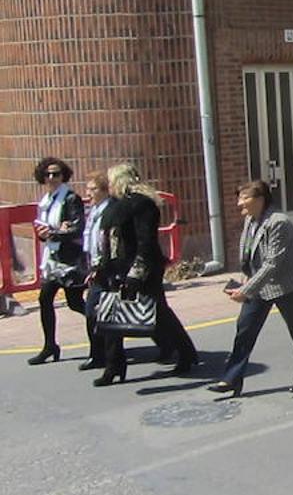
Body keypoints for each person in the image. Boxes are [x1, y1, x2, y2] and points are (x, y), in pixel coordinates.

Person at [207, 181, 293, 398]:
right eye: (239, 197)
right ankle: (231, 379)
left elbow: (272, 263)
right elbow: (249, 255)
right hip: (259, 285)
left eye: (244, 198)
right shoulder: (251, 219)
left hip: (287, 285)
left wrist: (246, 290)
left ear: (260, 199)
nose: (239, 203)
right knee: (245, 329)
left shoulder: (279, 223)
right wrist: (244, 283)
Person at [92, 164, 198, 385]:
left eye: (111, 181)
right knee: (111, 314)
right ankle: (114, 366)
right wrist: (101, 267)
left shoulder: (142, 204)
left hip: (142, 267)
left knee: (159, 312)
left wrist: (136, 274)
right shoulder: (114, 205)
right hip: (115, 267)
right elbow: (108, 240)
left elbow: (146, 242)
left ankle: (186, 352)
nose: (108, 185)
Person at [28, 158, 87, 366]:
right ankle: (50, 345)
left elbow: (76, 229)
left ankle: (104, 334)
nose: (52, 178)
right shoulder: (47, 200)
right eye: (48, 174)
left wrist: (54, 233)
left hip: (70, 259)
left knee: (75, 302)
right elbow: (47, 230)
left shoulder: (71, 198)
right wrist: (48, 233)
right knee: (45, 299)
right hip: (53, 258)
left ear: (64, 176)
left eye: (56, 174)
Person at [78, 171, 113, 370]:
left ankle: (106, 358)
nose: (88, 193)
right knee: (92, 312)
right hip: (95, 266)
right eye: (88, 188)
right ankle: (98, 355)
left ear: (105, 191)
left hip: (106, 269)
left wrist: (99, 266)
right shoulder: (95, 210)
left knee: (98, 311)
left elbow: (106, 242)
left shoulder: (109, 210)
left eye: (93, 189)